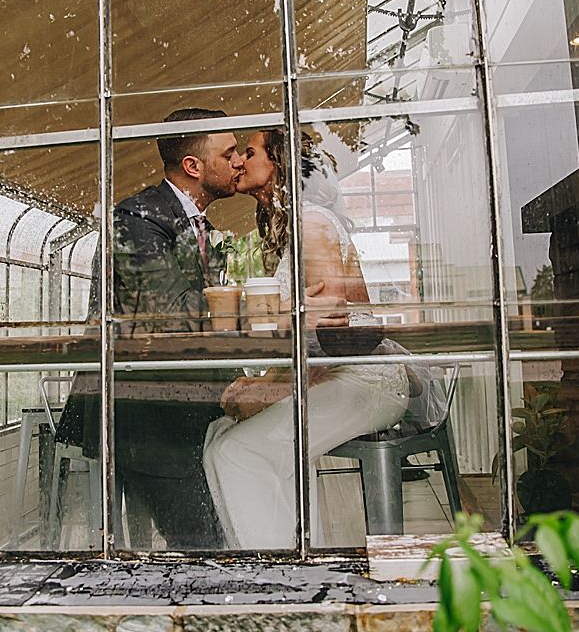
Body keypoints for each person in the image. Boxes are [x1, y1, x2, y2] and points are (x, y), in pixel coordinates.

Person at [202, 130, 413, 549]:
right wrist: (266, 382)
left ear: (278, 162)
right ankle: (297, 552)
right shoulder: (290, 228)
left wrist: (268, 388)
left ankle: (279, 573)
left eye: (249, 152)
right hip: (329, 376)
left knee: (236, 452)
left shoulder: (313, 224)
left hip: (363, 380)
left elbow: (331, 337)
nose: (239, 162)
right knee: (221, 438)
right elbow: (302, 335)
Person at [57, 107, 243, 550]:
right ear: (193, 166)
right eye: (229, 153)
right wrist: (254, 302)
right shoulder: (136, 219)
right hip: (142, 414)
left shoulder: (196, 224)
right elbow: (173, 314)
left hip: (185, 406)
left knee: (233, 514)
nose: (239, 161)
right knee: (205, 544)